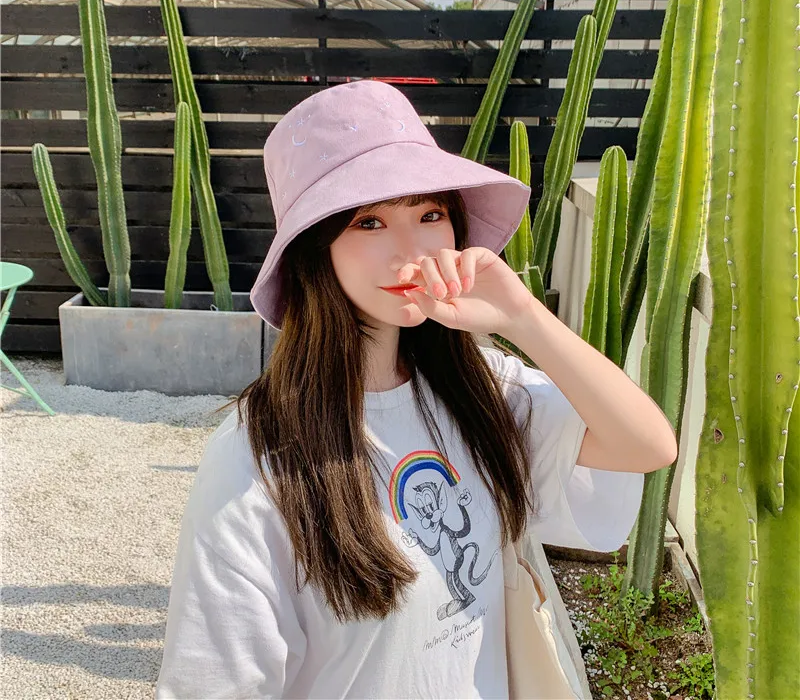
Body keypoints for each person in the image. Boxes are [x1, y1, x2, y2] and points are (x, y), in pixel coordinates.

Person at [155, 79, 676, 699]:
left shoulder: (479, 391)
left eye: (430, 215)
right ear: (315, 253)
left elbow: (647, 445)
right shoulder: (258, 458)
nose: (410, 251)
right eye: (369, 222)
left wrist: (523, 318)